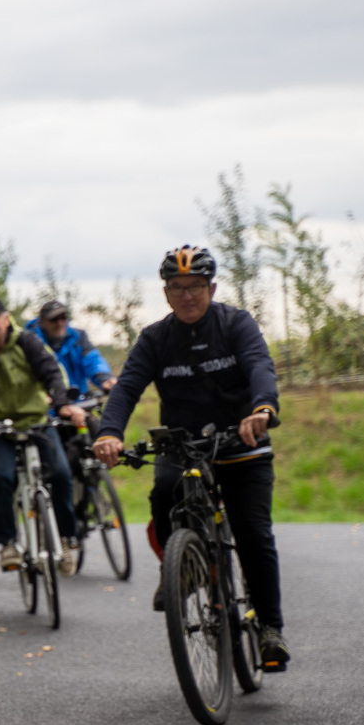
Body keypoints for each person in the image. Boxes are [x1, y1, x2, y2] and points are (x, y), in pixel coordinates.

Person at [92, 245, 290, 668]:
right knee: (164, 493)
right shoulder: (155, 338)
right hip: (183, 446)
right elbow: (127, 388)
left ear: (211, 289)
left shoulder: (236, 324)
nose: (187, 296)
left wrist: (262, 409)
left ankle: (270, 629)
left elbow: (259, 365)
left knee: (253, 533)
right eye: (178, 288)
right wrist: (109, 433)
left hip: (242, 441)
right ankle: (184, 567)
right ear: (166, 293)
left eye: (196, 286)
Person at [0, 295, 87, 575]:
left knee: (61, 474)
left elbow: (52, 374)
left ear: (6, 319)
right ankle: (8, 543)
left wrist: (62, 404)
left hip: (37, 422)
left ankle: (65, 538)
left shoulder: (27, 342)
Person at [24, 300, 117, 495]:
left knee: (99, 435)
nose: (60, 322)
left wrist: (105, 379)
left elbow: (93, 361)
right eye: (53, 319)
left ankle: (93, 488)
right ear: (42, 322)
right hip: (48, 413)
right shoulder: (31, 341)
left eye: (63, 317)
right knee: (57, 466)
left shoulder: (78, 337)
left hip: (78, 408)